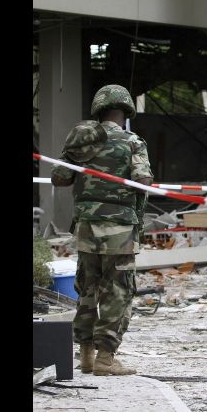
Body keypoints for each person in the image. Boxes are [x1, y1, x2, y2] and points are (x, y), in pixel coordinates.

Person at [51, 84, 153, 376]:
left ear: (98, 109)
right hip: (119, 229)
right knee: (118, 291)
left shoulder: (82, 142)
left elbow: (59, 178)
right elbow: (142, 179)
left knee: (87, 289)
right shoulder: (133, 141)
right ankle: (105, 358)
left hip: (86, 228)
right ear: (125, 111)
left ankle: (84, 354)